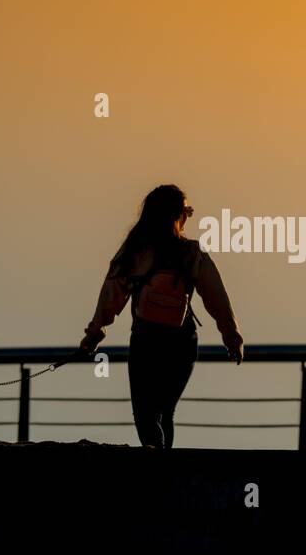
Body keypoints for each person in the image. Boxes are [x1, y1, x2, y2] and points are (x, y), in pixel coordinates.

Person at [80, 185, 244, 448]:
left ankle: (156, 470)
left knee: (145, 415)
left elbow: (110, 297)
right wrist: (231, 335)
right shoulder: (192, 253)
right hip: (182, 342)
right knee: (165, 411)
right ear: (178, 216)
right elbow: (217, 297)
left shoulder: (134, 252)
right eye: (187, 212)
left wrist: (93, 335)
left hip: (146, 341)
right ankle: (165, 471)